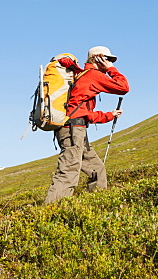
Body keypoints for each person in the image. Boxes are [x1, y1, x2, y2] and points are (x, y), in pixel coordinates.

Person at [43, 46, 129, 203]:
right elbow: (123, 87)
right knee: (68, 171)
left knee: (97, 169)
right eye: (108, 59)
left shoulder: (82, 75)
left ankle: (96, 204)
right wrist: (111, 69)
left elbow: (81, 111)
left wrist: (108, 115)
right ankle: (49, 212)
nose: (110, 62)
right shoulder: (92, 75)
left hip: (75, 128)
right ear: (98, 58)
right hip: (73, 129)